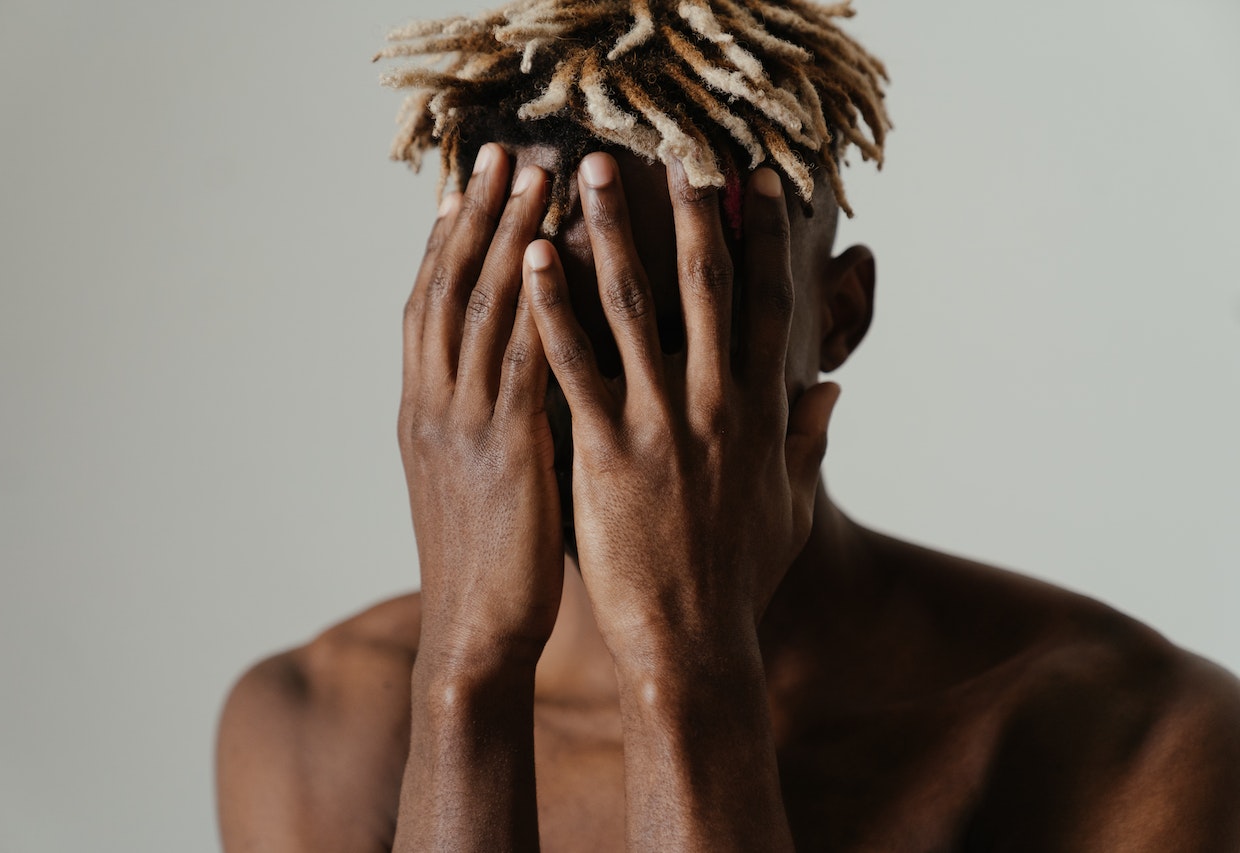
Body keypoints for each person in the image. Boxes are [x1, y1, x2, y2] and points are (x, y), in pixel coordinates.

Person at [215, 1, 1240, 850]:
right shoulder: (323, 730)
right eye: (541, 323)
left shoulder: (1134, 740)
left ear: (834, 315)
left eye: (671, 335)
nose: (614, 418)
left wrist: (686, 662)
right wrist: (467, 673)